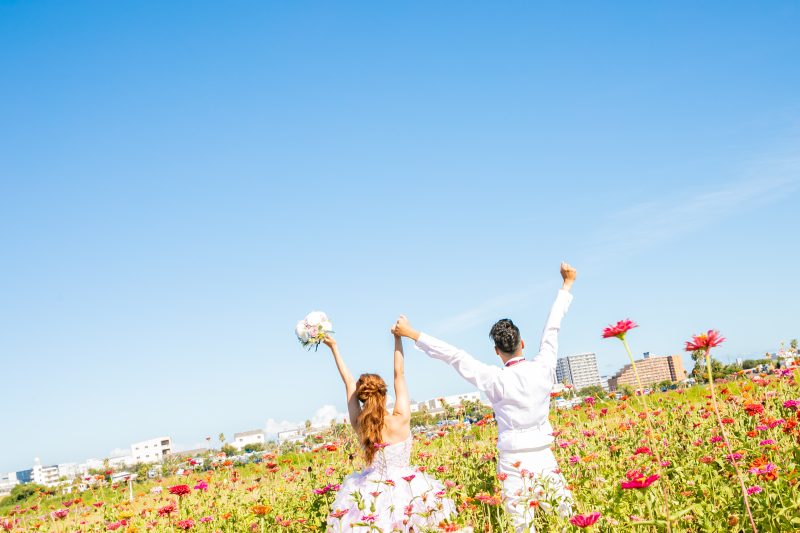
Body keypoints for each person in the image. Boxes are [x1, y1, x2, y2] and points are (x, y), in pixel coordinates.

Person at [392, 262, 577, 532]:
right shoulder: (544, 368)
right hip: (544, 455)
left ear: (496, 351)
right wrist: (566, 285)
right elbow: (552, 329)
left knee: (521, 526)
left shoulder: (495, 379)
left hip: (513, 460)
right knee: (568, 519)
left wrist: (411, 333)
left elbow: (455, 356)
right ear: (522, 344)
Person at [322, 332, 457, 533]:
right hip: (409, 488)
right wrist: (397, 337)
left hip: (371, 491)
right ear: (384, 394)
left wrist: (334, 347)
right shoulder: (401, 418)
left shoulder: (361, 427)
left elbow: (349, 383)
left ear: (362, 398)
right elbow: (399, 374)